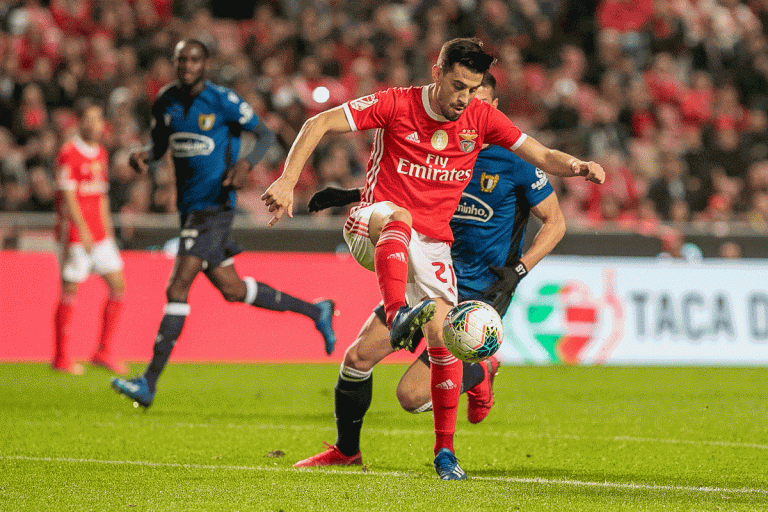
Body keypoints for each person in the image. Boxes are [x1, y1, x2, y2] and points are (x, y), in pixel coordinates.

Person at [261, 37, 604, 480]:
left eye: (472, 88)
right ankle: (398, 311)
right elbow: (319, 121)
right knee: (399, 218)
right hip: (376, 224)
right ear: (437, 72)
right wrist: (289, 179)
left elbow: (542, 155)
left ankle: (430, 453)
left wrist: (578, 166)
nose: (464, 98)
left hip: (431, 248)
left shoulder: (482, 120)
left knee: (384, 354)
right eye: (458, 85)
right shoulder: (396, 103)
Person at [110, 39, 337, 408]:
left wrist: (246, 165)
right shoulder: (166, 101)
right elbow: (159, 144)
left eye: (194, 59)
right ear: (174, 62)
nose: (187, 65)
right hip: (189, 209)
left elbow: (264, 133)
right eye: (181, 59)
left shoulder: (222, 101)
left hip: (214, 207)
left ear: (205, 63)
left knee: (177, 287)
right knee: (232, 289)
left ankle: (148, 382)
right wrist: (145, 157)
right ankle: (317, 311)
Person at [52, 98, 127, 375]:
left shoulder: (101, 154)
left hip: (100, 234)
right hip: (75, 234)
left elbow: (102, 195)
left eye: (99, 119)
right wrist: (81, 230)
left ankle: (103, 352)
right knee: (70, 290)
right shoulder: (69, 152)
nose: (97, 125)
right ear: (80, 121)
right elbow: (68, 195)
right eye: (92, 119)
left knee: (118, 285)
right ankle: (61, 357)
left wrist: (107, 232)